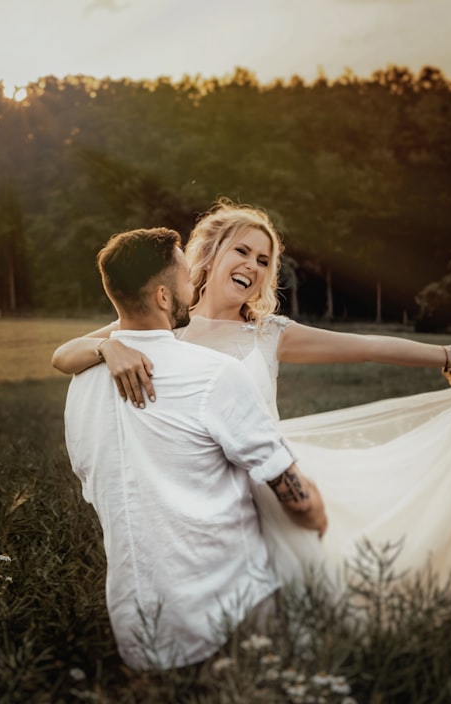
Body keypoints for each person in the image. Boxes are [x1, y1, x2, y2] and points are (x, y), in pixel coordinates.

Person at [54, 199, 451, 608]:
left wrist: (448, 353)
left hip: (270, 483)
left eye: (264, 261)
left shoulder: (267, 334)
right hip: (201, 498)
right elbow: (61, 355)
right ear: (210, 254)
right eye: (241, 250)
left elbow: (365, 345)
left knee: (314, 600)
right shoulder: (168, 323)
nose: (252, 265)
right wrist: (107, 346)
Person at [62, 226, 327, 671]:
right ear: (164, 298)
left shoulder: (81, 384)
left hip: (140, 628)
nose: (195, 282)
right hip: (233, 614)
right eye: (186, 275)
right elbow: (295, 498)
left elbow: (91, 483)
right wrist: (317, 517)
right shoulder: (215, 374)